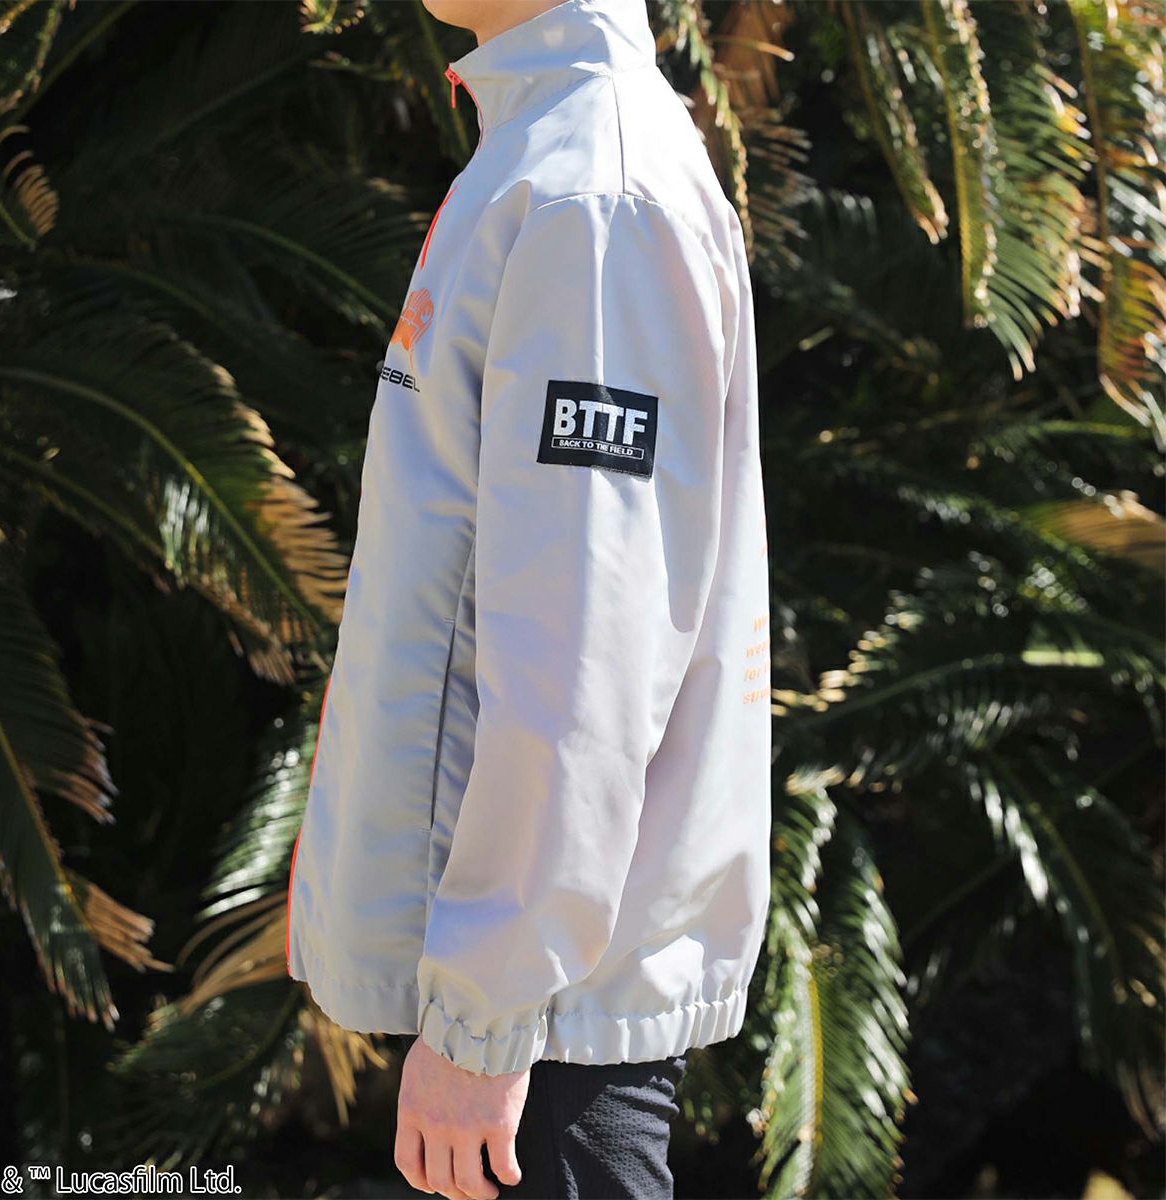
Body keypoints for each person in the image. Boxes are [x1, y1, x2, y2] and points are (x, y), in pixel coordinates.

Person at [285, 0, 773, 1196]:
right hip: (531, 1016)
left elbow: (585, 650)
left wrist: (485, 1017)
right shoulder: (546, 155)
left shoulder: (592, 193)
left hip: (545, 1038)